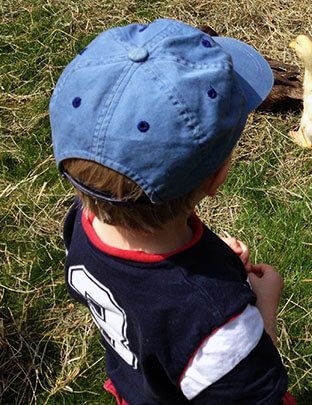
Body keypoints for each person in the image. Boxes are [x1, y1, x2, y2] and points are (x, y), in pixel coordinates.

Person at [50, 18, 294, 404]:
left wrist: (208, 264)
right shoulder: (221, 327)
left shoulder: (81, 224)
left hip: (140, 387)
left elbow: (141, 291)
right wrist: (265, 304)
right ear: (216, 179)